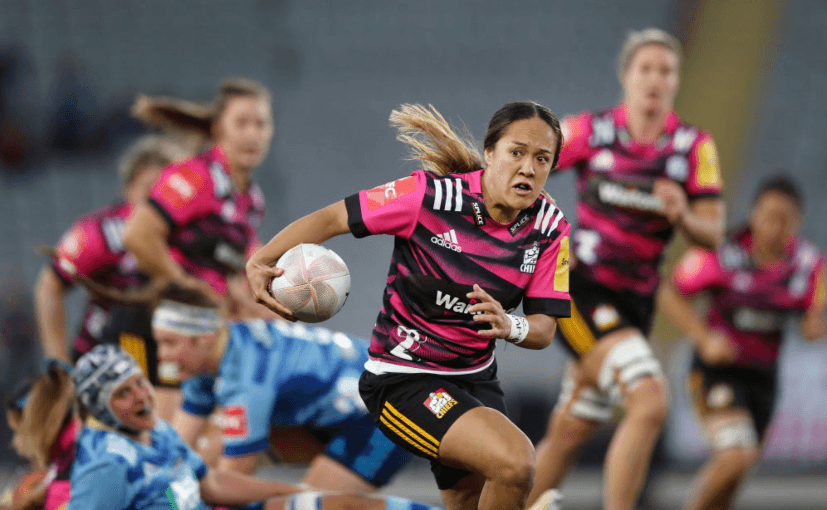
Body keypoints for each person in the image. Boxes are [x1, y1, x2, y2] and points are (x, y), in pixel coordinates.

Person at [247, 102, 572, 510]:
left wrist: (511, 325)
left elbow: (544, 329)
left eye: (542, 158)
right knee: (516, 463)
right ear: (491, 153)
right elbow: (332, 219)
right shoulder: (427, 196)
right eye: (517, 152)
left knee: (475, 501)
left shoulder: (551, 229)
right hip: (404, 381)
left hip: (475, 380)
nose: (528, 167)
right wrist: (263, 259)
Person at [528, 28, 726, 510]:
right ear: (625, 77)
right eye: (646, 69)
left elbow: (714, 234)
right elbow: (526, 167)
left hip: (635, 304)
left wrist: (682, 214)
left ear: (676, 81)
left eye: (666, 71)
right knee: (650, 400)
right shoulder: (590, 132)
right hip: (580, 291)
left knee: (572, 427)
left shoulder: (692, 147)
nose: (655, 79)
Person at [67, 345, 441, 510]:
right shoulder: (107, 465)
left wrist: (291, 490)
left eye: (138, 383)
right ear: (101, 406)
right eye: (122, 393)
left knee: (341, 504)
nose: (140, 397)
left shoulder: (159, 431)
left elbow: (210, 483)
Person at [658, 175, 827, 510]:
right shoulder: (722, 252)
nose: (775, 227)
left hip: (763, 380)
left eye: (786, 219)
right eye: (769, 216)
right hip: (717, 372)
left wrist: (814, 327)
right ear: (754, 214)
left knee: (734, 477)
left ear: (799, 221)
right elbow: (671, 293)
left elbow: (814, 316)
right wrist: (705, 338)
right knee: (738, 454)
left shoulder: (809, 264)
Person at [151, 285, 411, 492]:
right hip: (341, 405)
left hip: (388, 405)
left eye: (169, 343)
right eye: (158, 343)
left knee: (309, 504)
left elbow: (232, 477)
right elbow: (175, 451)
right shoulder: (214, 355)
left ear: (203, 339)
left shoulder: (247, 379)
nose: (161, 356)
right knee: (208, 452)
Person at [33, 135, 188, 422]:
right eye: (148, 191)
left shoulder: (194, 235)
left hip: (174, 361)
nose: (157, 203)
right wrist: (59, 365)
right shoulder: (103, 233)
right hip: (106, 358)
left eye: (165, 192)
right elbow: (50, 284)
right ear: (128, 190)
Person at [123, 78, 273, 305]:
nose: (252, 134)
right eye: (241, 123)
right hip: (159, 318)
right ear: (218, 128)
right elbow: (138, 236)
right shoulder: (196, 177)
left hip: (205, 328)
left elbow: (245, 263)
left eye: (261, 124)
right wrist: (187, 287)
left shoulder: (253, 201)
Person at [2, 361, 80, 510]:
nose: (15, 443)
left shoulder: (71, 467)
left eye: (18, 432)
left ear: (35, 423)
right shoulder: (68, 453)